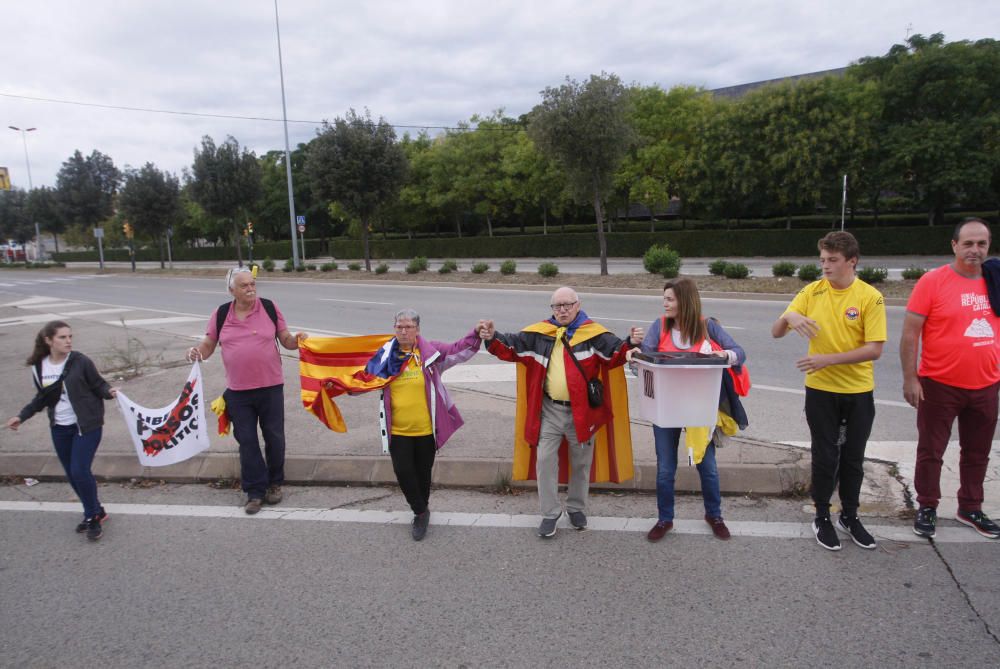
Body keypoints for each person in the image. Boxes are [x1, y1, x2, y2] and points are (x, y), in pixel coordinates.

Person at [479, 287, 643, 538]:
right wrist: (491, 337)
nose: (563, 309)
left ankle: (576, 508)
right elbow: (510, 346)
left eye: (568, 304)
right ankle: (550, 513)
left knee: (581, 463)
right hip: (549, 410)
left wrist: (630, 344)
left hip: (583, 413)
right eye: (557, 306)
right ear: (552, 309)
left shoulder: (593, 334)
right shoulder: (539, 334)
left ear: (578, 304)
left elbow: (615, 352)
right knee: (544, 460)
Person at [771, 231, 886, 551]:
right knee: (825, 456)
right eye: (822, 259)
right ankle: (822, 515)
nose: (826, 266)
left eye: (833, 260)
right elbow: (776, 332)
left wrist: (827, 359)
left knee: (853, 458)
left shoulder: (869, 297)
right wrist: (790, 315)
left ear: (852, 262)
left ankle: (849, 515)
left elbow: (875, 350)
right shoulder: (812, 291)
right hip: (820, 391)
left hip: (858, 391)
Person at [901, 218, 1000, 540]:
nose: (975, 250)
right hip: (939, 384)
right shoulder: (933, 282)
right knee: (931, 450)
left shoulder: (995, 279)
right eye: (968, 243)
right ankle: (927, 505)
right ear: (954, 245)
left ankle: (970, 507)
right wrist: (910, 379)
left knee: (978, 452)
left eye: (981, 244)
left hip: (986, 385)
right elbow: (910, 334)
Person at [634, 278, 748, 543]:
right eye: (664, 299)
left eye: (670, 299)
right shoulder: (659, 326)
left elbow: (739, 352)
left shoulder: (707, 327)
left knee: (706, 466)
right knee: (665, 468)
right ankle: (665, 519)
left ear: (685, 301)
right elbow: (642, 362)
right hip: (665, 406)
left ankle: (714, 515)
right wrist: (634, 352)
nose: (665, 304)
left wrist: (724, 356)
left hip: (699, 406)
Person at [187, 267, 307, 515]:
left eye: (252, 284)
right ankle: (254, 492)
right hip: (238, 391)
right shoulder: (221, 314)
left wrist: (298, 340)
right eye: (244, 285)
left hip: (271, 386)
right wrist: (197, 352)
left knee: (275, 437)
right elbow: (209, 344)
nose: (251, 288)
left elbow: (285, 339)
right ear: (232, 290)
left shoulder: (269, 307)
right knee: (247, 442)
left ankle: (275, 483)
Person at [357, 309, 481, 541]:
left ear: (418, 330)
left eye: (408, 327)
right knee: (403, 472)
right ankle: (420, 512)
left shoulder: (430, 353)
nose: (403, 331)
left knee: (423, 474)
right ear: (394, 328)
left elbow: (458, 351)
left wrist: (476, 334)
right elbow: (361, 380)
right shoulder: (384, 356)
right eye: (399, 327)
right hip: (398, 431)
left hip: (426, 430)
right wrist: (331, 381)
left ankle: (422, 510)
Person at [6, 321, 119, 541]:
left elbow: (98, 385)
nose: (68, 341)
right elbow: (42, 399)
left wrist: (110, 391)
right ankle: (98, 511)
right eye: (62, 337)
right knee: (72, 473)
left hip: (87, 425)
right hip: (59, 427)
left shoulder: (80, 361)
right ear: (49, 340)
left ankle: (91, 517)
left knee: (79, 470)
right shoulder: (39, 368)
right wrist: (21, 416)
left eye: (70, 337)